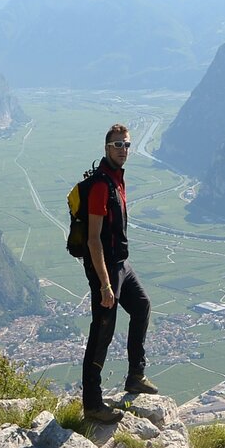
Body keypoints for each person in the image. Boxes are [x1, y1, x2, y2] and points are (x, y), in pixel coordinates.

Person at [74, 124, 155, 415]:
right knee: (102, 332)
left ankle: (135, 375)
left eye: (127, 145)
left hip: (122, 264)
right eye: (118, 145)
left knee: (142, 305)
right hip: (104, 269)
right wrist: (105, 285)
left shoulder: (118, 179)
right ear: (106, 148)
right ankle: (92, 404)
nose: (124, 150)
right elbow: (94, 239)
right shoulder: (100, 186)